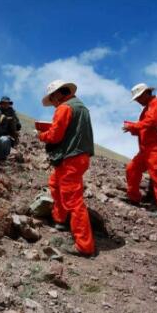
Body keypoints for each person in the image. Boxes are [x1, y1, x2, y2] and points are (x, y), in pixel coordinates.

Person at [37, 80, 95, 257]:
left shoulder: (64, 108)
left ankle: (84, 247)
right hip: (78, 156)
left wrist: (41, 135)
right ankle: (60, 220)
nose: (53, 103)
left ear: (58, 94)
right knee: (55, 184)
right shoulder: (81, 107)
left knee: (74, 201)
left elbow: (55, 136)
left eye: (53, 99)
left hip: (71, 158)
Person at [123, 83, 157, 218]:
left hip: (156, 148)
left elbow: (151, 122)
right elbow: (144, 128)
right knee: (132, 169)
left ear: (147, 93)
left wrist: (133, 126)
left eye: (139, 97)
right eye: (136, 98)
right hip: (145, 150)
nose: (138, 101)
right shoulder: (147, 108)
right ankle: (134, 198)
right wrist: (132, 128)